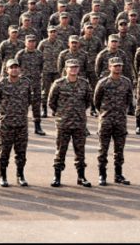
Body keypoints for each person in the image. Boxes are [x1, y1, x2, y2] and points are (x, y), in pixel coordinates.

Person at [47, 59, 93, 187]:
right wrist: (61, 113)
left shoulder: (84, 84)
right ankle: (57, 177)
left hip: (79, 123)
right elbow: (52, 102)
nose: (73, 69)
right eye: (71, 67)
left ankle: (81, 176)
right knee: (61, 150)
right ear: (66, 69)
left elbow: (88, 101)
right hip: (64, 123)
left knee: (80, 151)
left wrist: (78, 112)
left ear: (79, 69)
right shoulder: (59, 84)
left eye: (76, 67)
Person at [0, 59, 32, 187]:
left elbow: (29, 100)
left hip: (21, 123)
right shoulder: (1, 84)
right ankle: (3, 176)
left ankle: (20, 175)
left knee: (21, 152)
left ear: (19, 69)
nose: (14, 69)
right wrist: (4, 114)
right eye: (11, 67)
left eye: (16, 67)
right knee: (4, 151)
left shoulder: (26, 83)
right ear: (7, 70)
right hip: (6, 124)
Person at [93, 57, 133, 186]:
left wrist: (121, 112)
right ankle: (102, 174)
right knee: (103, 149)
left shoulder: (126, 82)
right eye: (115, 66)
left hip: (120, 120)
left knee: (119, 150)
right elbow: (96, 101)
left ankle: (118, 174)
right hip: (106, 120)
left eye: (120, 66)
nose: (118, 68)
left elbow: (129, 99)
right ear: (110, 67)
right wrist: (104, 113)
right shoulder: (103, 83)